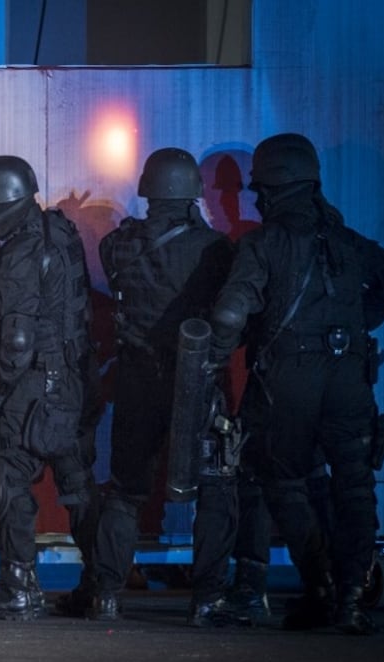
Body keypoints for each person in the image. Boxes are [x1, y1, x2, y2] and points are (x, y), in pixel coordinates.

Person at [207, 133, 384, 635]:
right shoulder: (343, 240)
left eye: (258, 189)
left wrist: (211, 356)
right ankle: (350, 602)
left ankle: (320, 587)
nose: (254, 198)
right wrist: (354, 326)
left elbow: (231, 310)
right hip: (349, 376)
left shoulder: (264, 242)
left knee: (280, 478)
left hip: (290, 378)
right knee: (354, 486)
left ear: (273, 188)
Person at [88, 148, 234, 624]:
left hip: (137, 378)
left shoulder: (118, 244)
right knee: (213, 488)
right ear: (193, 192)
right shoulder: (215, 249)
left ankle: (106, 593)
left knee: (127, 490)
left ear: (148, 189)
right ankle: (208, 598)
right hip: (198, 381)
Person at [0, 155, 99, 621]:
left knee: (8, 476)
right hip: (72, 381)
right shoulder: (60, 230)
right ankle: (103, 589)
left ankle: (19, 588)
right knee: (77, 486)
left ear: (3, 203)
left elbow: (16, 339)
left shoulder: (19, 252)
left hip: (35, 384)